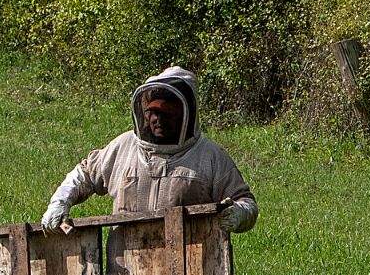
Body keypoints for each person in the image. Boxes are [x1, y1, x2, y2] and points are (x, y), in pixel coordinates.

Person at [42, 66, 258, 234]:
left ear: (185, 113)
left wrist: (238, 214)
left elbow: (246, 202)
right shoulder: (123, 147)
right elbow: (85, 174)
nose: (157, 120)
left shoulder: (210, 156)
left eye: (166, 113)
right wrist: (59, 203)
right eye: (152, 112)